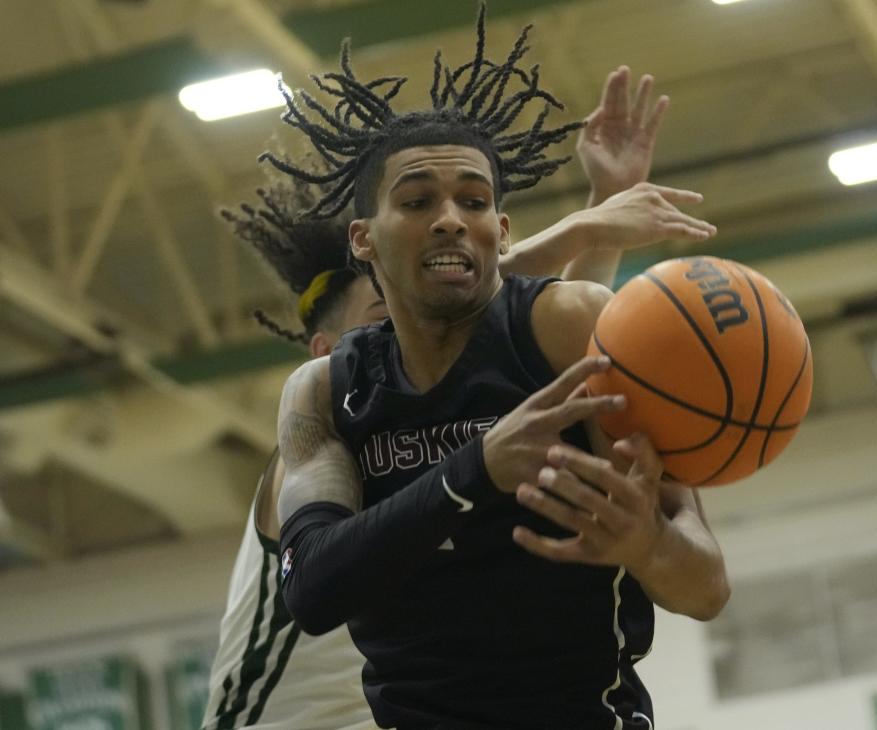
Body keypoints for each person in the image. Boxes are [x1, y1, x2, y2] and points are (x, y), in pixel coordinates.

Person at [202, 56, 717, 729]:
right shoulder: (327, 394)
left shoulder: (559, 328)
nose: (448, 220)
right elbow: (316, 589)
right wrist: (478, 464)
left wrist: (646, 543)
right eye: (417, 202)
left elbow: (531, 335)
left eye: (474, 202)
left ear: (500, 227)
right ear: (364, 243)